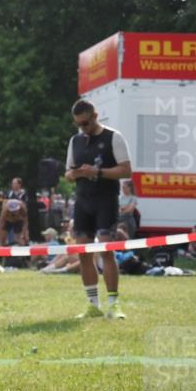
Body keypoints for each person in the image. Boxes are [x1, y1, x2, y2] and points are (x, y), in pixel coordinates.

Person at [65, 99, 132, 319]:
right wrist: (75, 174)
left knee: (106, 251)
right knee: (84, 254)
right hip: (82, 202)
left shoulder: (113, 137)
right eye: (78, 124)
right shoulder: (75, 141)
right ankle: (93, 305)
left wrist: (97, 172)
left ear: (95, 116)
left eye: (85, 123)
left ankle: (114, 304)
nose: (82, 128)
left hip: (106, 201)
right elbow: (67, 173)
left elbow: (126, 170)